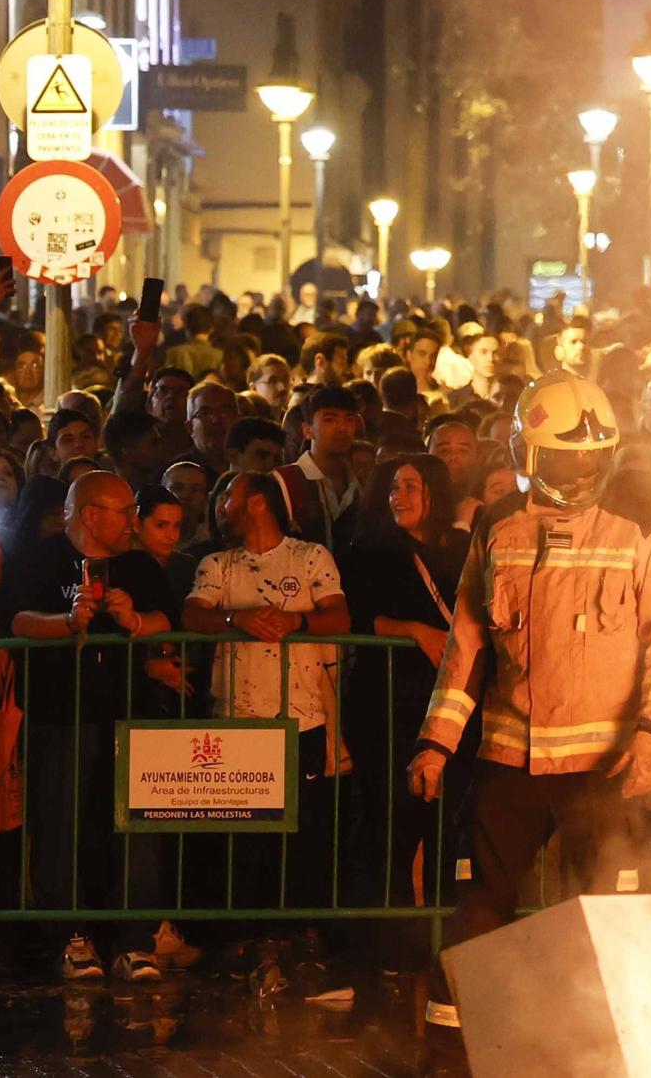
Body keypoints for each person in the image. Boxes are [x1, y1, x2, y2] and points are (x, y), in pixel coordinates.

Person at [407, 371, 651, 1037]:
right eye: (568, 456)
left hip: (608, 766)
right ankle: (452, 1043)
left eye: (593, 456)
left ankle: (611, 1041)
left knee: (611, 910)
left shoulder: (643, 530)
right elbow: (468, 647)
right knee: (477, 906)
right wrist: (435, 743)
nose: (582, 468)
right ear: (526, 454)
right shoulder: (498, 526)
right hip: (511, 763)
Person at [1, 471, 189, 982]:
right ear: (90, 515)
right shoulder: (42, 558)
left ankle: (134, 939)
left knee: (136, 830)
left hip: (129, 711)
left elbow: (167, 620)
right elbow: (15, 620)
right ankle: (70, 937)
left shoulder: (136, 565)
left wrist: (134, 621)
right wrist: (65, 622)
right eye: (125, 512)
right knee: (62, 826)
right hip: (63, 711)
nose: (134, 522)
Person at [180, 470, 350, 997]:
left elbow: (339, 616)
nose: (217, 504)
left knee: (302, 834)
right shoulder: (218, 565)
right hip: (237, 720)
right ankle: (241, 943)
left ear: (256, 502)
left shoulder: (310, 558)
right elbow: (193, 612)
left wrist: (295, 624)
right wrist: (239, 621)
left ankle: (296, 940)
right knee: (240, 835)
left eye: (225, 495)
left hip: (301, 715)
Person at [339, 455, 469, 929]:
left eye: (413, 486)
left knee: (445, 823)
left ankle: (443, 931)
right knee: (390, 818)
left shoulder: (461, 549)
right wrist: (413, 629)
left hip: (447, 702)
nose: (400, 496)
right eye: (394, 487)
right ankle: (390, 935)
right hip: (387, 701)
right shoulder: (372, 549)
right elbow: (353, 615)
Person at [276, 384, 361, 551]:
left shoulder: (362, 482)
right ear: (307, 430)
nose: (341, 427)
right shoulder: (284, 482)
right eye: (330, 419)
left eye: (349, 419)